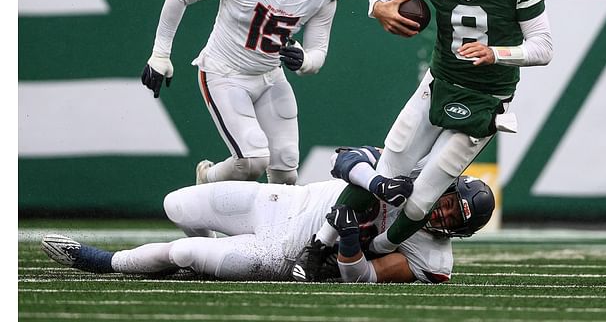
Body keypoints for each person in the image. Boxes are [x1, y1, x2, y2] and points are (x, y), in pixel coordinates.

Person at [300, 0, 553, 264]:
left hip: (487, 99)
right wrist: (380, 8)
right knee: (386, 170)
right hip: (439, 83)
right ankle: (317, 246)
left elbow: (543, 47)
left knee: (422, 198)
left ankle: (376, 250)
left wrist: (497, 53)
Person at [40, 147, 496, 283]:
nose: (443, 211)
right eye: (450, 199)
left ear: (461, 232)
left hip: (283, 252)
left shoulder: (432, 261)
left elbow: (362, 279)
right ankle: (208, 265)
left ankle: (100, 261)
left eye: (455, 217)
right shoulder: (414, 175)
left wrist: (350, 239)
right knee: (176, 204)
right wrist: (376, 185)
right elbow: (346, 160)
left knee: (183, 250)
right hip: (286, 202)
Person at [140, 0, 344, 186]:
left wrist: (305, 60)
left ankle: (273, 228)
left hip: (271, 76)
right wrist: (160, 54)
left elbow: (318, 51)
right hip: (225, 72)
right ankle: (208, 180)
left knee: (286, 169)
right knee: (251, 162)